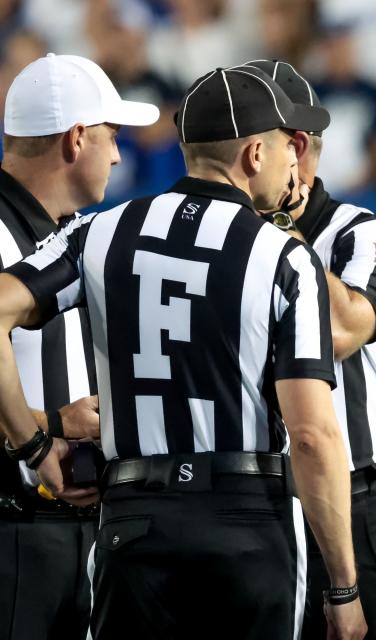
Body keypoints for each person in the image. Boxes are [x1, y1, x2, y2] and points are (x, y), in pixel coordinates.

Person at [0, 65, 366, 640]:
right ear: (253, 154)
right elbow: (315, 436)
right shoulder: (284, 257)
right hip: (246, 519)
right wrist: (344, 586)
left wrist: (33, 442)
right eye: (283, 146)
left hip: (133, 518)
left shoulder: (98, 232)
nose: (295, 162)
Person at [242, 59, 376, 640]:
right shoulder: (218, 237)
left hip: (352, 496)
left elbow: (343, 330)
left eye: (303, 145)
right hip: (248, 503)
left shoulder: (364, 233)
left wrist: (283, 230)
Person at [0, 53, 158, 640]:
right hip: (15, 532)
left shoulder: (69, 233)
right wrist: (41, 433)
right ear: (75, 139)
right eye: (111, 137)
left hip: (67, 533)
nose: (118, 154)